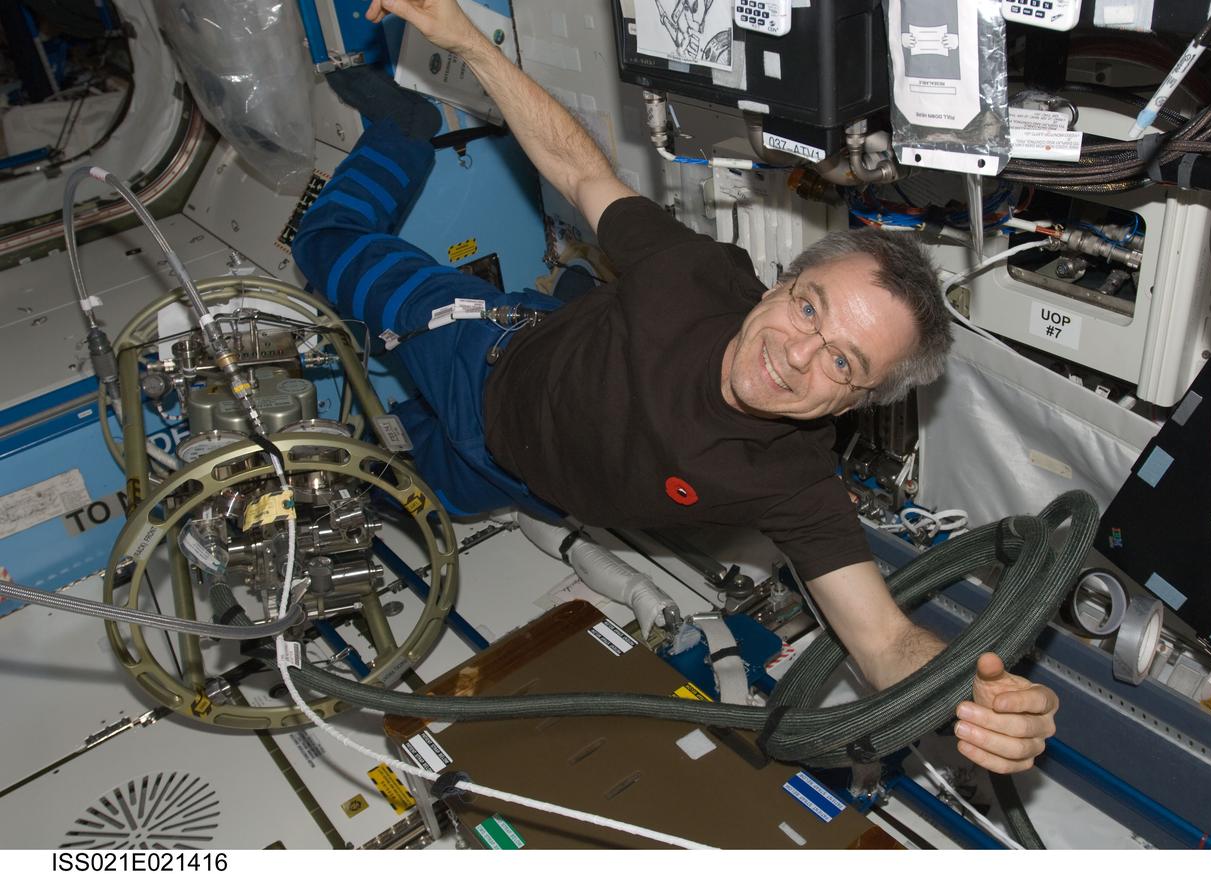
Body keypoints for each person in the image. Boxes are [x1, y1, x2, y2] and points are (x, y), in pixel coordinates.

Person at [292, 0, 1060, 776]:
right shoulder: (688, 278)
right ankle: (403, 134)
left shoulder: (791, 482)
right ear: (778, 285)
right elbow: (578, 168)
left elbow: (883, 639)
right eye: (808, 309)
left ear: (855, 403)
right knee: (329, 248)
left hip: (503, 476)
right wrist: (466, 44)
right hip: (474, 349)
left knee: (376, 483)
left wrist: (972, 699)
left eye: (841, 363)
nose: (796, 355)